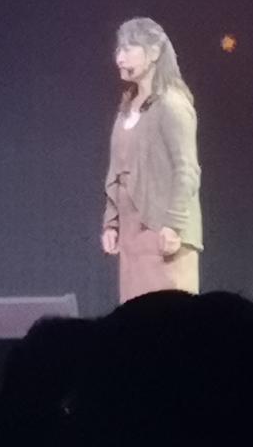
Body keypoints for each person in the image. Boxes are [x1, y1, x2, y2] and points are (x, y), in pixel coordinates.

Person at [101, 17, 203, 301]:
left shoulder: (171, 104)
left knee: (168, 316)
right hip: (132, 237)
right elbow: (117, 170)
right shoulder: (126, 110)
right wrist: (111, 223)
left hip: (163, 232)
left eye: (128, 49)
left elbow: (187, 169)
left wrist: (174, 224)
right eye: (118, 50)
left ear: (154, 52)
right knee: (135, 317)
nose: (119, 58)